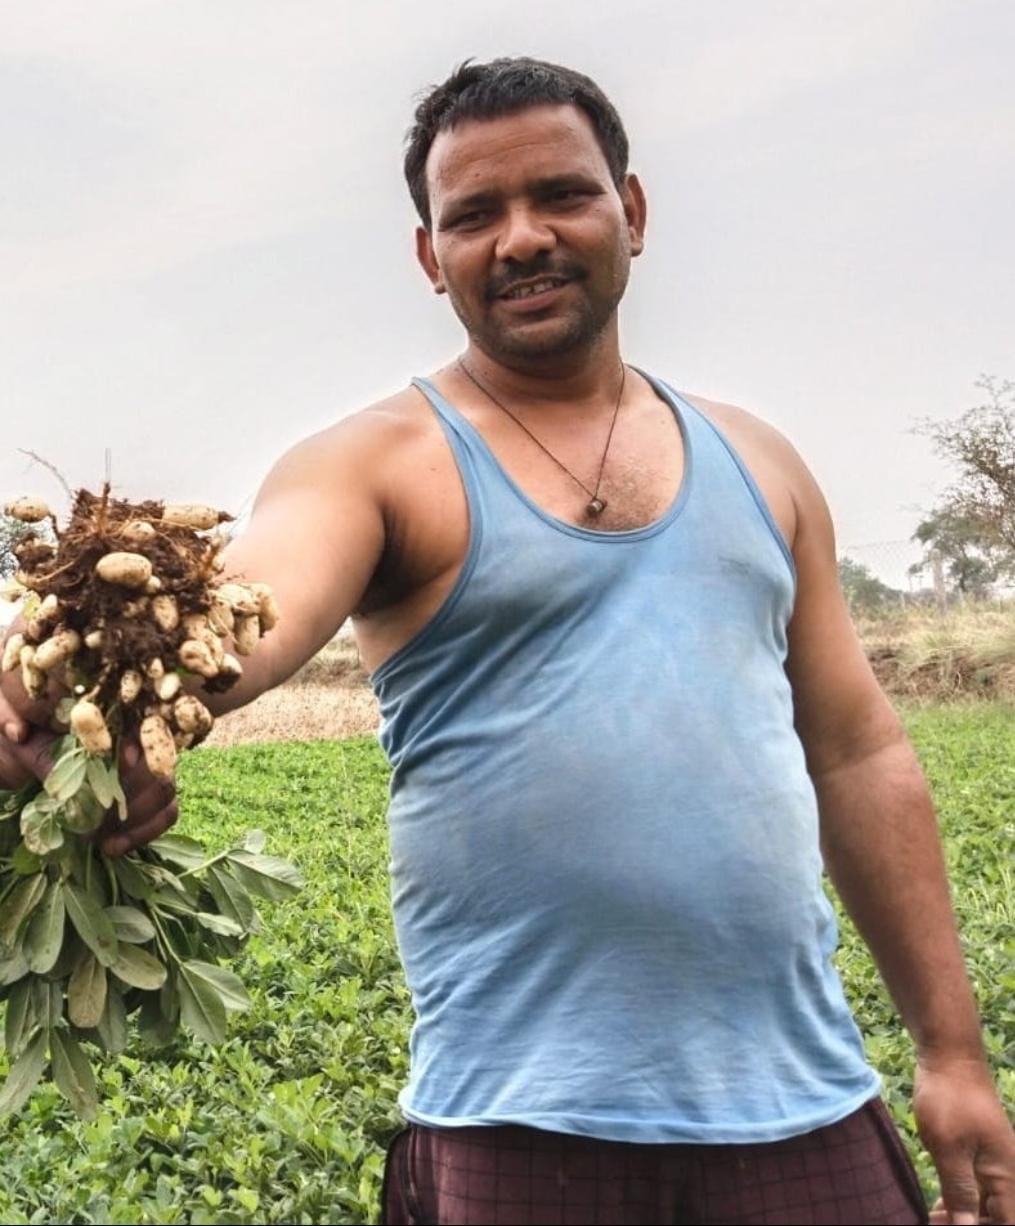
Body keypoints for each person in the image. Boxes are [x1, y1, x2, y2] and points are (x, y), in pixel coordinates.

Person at [2, 56, 1013, 1226]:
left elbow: (856, 753)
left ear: (629, 211)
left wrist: (952, 1052)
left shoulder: (763, 463)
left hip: (804, 1108)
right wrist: (66, 664)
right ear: (431, 258)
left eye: (561, 196)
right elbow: (241, 621)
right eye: (473, 215)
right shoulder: (377, 462)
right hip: (521, 1127)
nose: (521, 237)